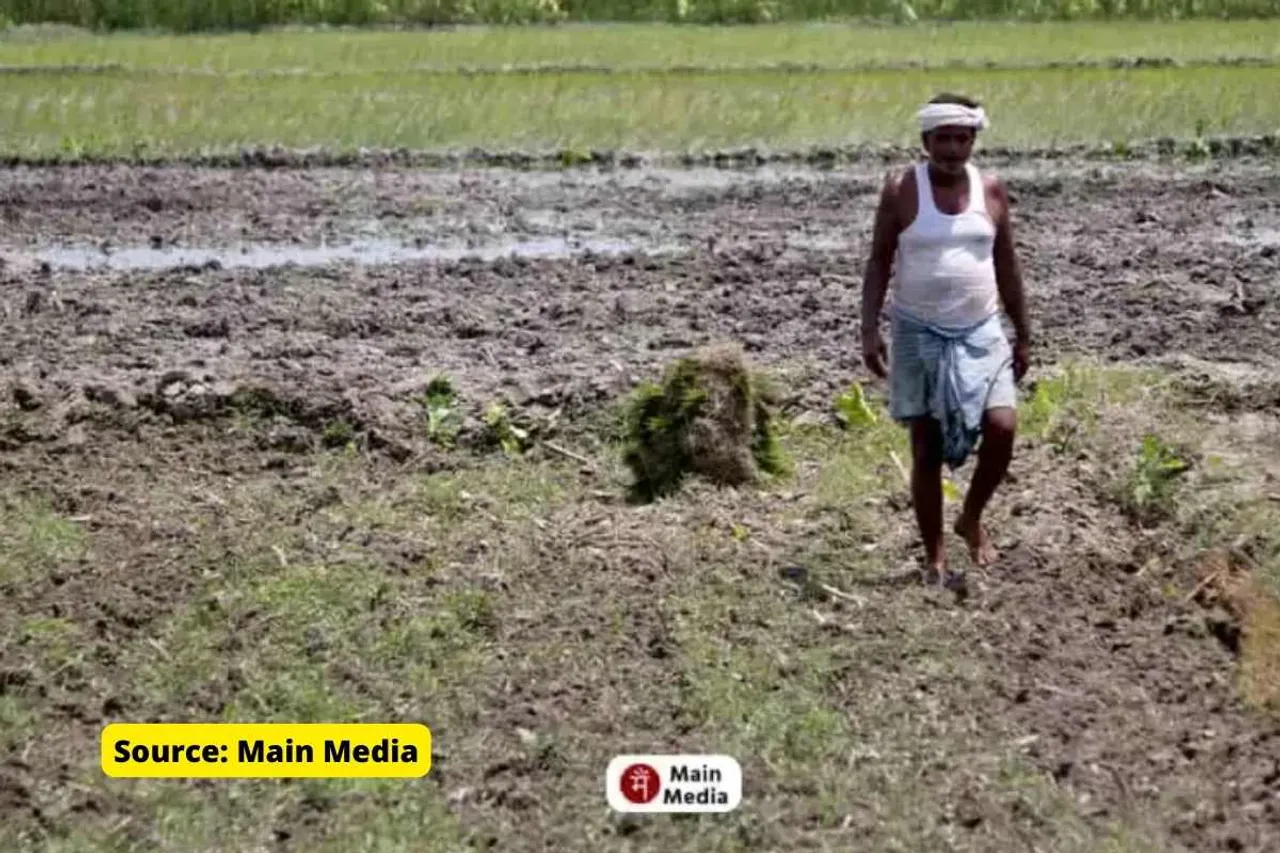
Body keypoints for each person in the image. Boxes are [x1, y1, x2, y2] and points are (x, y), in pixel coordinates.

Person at [859, 93, 1031, 588]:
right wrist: (870, 328)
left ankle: (971, 516)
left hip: (981, 328)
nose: (953, 149)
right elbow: (879, 260)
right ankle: (935, 558)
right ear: (925, 141)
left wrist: (1023, 332)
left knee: (1001, 427)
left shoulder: (992, 190)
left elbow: (1007, 265)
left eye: (962, 138)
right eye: (943, 139)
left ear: (974, 139)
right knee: (927, 446)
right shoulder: (901, 190)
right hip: (917, 328)